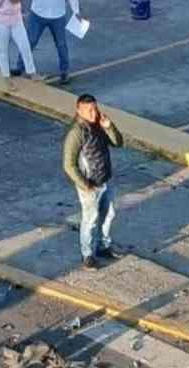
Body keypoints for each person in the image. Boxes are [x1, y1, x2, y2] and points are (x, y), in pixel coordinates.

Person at [62, 93, 123, 269]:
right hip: (90, 184)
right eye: (89, 110)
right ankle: (87, 255)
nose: (93, 113)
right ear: (79, 110)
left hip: (105, 179)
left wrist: (109, 126)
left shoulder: (99, 124)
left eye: (95, 109)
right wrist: (85, 185)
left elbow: (118, 143)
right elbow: (69, 165)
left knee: (108, 214)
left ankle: (103, 246)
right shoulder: (76, 133)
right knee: (90, 220)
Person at [11, 0, 80, 85]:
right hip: (38, 14)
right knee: (30, 42)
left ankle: (64, 71)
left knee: (61, 44)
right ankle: (20, 67)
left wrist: (76, 11)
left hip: (57, 16)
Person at [0, 0, 36, 90]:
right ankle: (6, 77)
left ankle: (32, 72)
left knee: (25, 46)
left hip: (16, 20)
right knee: (2, 50)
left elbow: (16, 1)